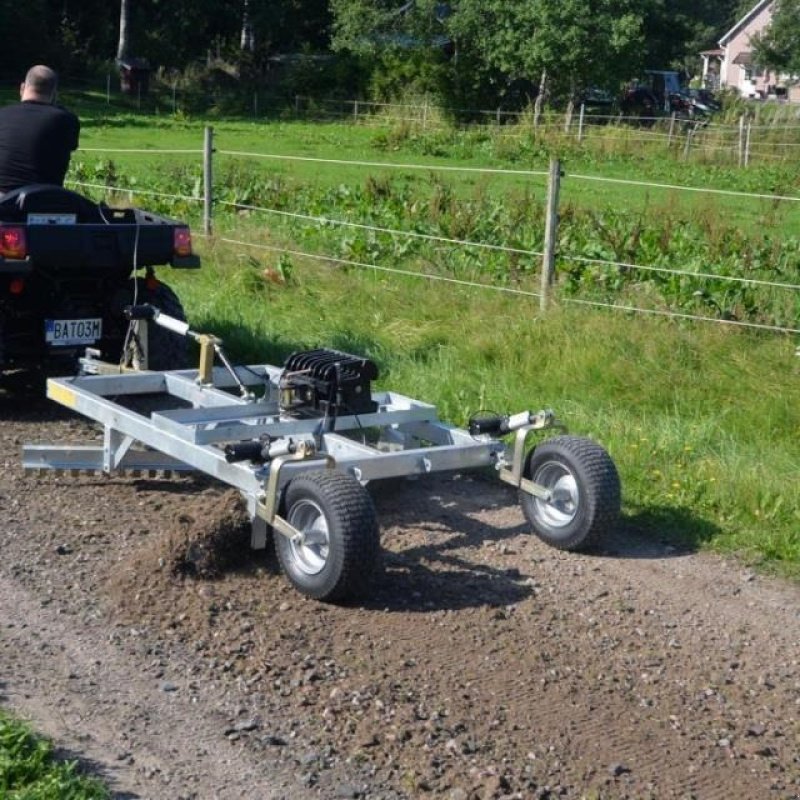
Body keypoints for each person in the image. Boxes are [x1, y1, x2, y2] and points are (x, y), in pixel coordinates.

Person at [0, 65, 80, 194]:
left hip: (4, 199)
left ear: (22, 88)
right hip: (47, 199)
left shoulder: (2, 115)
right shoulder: (67, 120)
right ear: (54, 94)